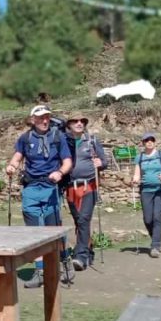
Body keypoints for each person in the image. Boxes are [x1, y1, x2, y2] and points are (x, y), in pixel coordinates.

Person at [4, 105, 74, 288]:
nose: (45, 121)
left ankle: (64, 261)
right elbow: (17, 157)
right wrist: (11, 166)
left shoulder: (58, 137)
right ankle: (40, 271)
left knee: (54, 229)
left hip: (51, 187)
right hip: (31, 188)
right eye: (41, 117)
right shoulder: (25, 138)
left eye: (47, 117)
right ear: (33, 119)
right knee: (34, 231)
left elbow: (67, 162)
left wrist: (60, 172)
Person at [63, 113, 107, 270]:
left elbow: (105, 162)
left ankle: (80, 257)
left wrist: (100, 163)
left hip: (89, 186)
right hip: (70, 187)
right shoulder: (64, 142)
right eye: (75, 121)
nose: (79, 123)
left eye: (82, 121)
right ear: (69, 124)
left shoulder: (92, 141)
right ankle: (88, 251)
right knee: (79, 222)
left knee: (83, 220)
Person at [131, 131, 161, 258]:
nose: (149, 142)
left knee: (157, 217)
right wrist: (135, 179)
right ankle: (155, 236)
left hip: (160, 189)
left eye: (152, 140)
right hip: (146, 190)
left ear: (155, 142)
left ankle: (155, 246)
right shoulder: (140, 157)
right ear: (143, 143)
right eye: (147, 140)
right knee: (147, 219)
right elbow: (137, 173)